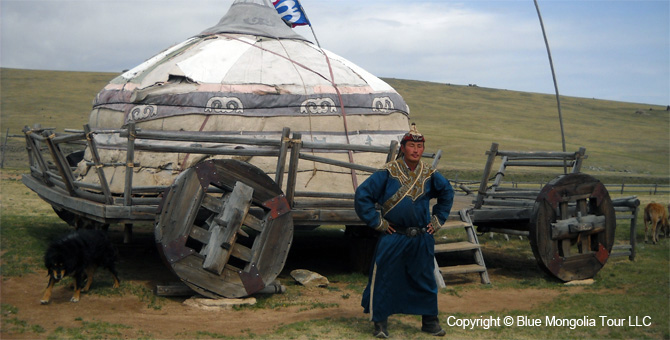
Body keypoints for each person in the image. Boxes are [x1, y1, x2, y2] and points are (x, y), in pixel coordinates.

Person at [354, 123, 454, 338]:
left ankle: (430, 322)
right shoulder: (388, 172)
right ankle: (380, 324)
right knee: (384, 278)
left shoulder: (429, 174)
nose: (416, 150)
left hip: (421, 236)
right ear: (403, 148)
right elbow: (363, 195)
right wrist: (378, 222)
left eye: (420, 146)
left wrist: (437, 220)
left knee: (425, 278)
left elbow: (447, 193)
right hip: (394, 235)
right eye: (411, 146)